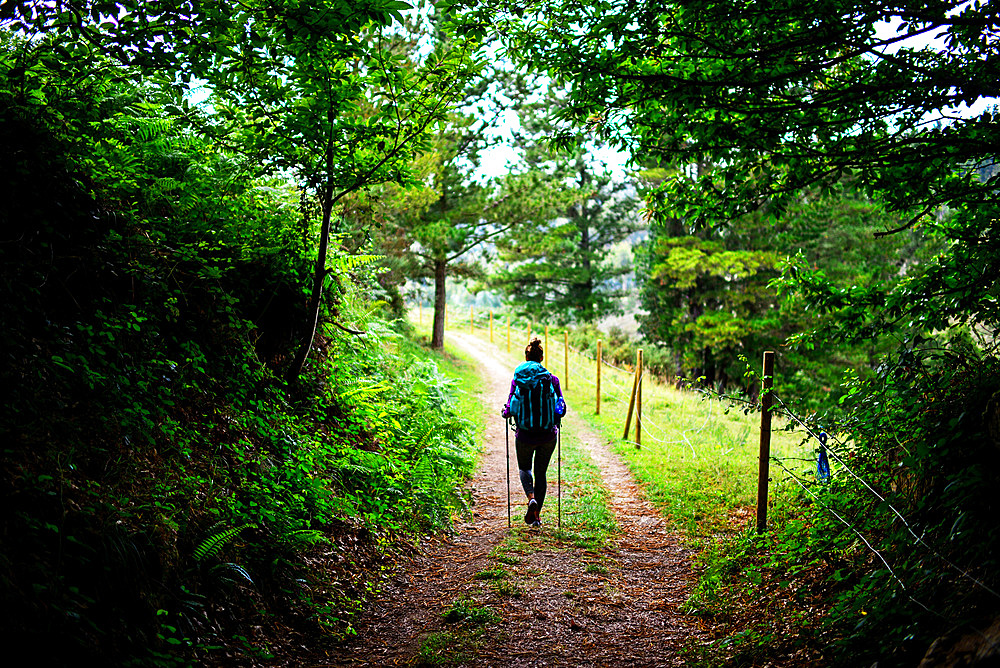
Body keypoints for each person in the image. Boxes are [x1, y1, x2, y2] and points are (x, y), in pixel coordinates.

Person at [501, 337, 567, 527]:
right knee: (541, 473)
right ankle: (536, 517)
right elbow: (561, 408)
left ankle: (531, 498)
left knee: (524, 468)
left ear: (526, 356)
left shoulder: (518, 379)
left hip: (525, 435)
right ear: (541, 358)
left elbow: (511, 406)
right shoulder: (552, 379)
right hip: (547, 435)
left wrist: (505, 413)